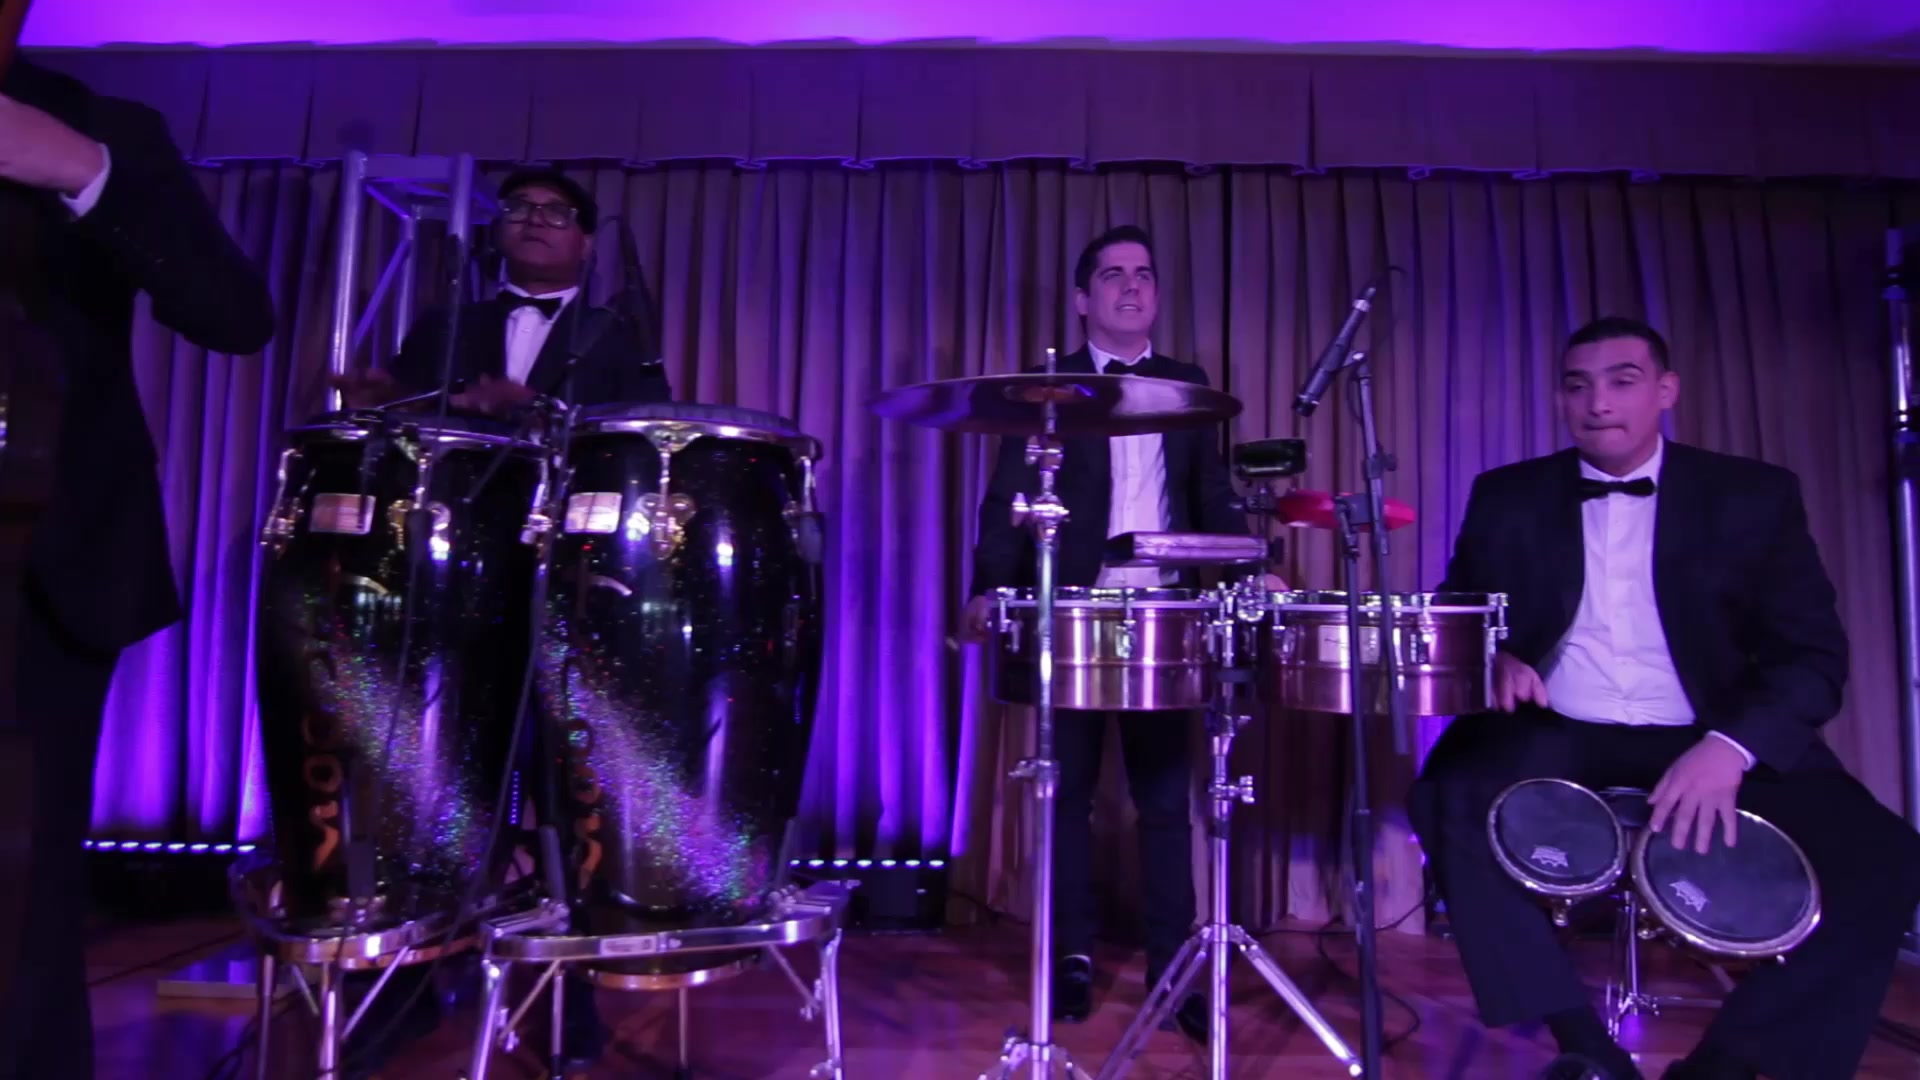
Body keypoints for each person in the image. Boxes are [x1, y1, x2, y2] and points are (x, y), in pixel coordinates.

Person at [1410, 316, 1920, 1080]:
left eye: (1622, 381)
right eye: (1578, 386)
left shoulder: (1752, 495)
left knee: (1886, 857)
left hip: (1708, 732)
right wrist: (1495, 656)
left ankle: (1727, 1066)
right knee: (1445, 799)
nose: (1598, 403)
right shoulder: (1508, 494)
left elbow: (1815, 657)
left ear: (1665, 390)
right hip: (1559, 726)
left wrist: (1731, 748)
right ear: (1561, 399)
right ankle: (1587, 1051)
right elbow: (1460, 611)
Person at [0, 58, 276, 1080]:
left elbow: (236, 314)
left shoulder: (101, 124)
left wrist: (80, 169)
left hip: (41, 555)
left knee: (23, 895)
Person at [959, 225, 1258, 1042]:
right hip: (1072, 611)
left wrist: (1245, 568)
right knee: (1068, 798)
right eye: (1114, 275)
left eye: (1145, 274)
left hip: (1166, 614)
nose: (1132, 286)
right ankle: (1070, 958)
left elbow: (1212, 493)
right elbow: (1008, 498)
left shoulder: (1187, 386)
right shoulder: (1048, 387)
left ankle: (1175, 967)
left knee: (1165, 802)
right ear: (1083, 299)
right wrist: (987, 586)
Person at [335, 167, 669, 415]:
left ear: (586, 245)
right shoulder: (441, 326)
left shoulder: (618, 334)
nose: (534, 220)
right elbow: (404, 416)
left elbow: (649, 426)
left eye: (556, 213)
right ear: (497, 231)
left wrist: (543, 413)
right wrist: (378, 404)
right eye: (518, 208)